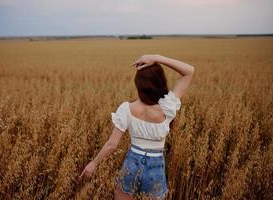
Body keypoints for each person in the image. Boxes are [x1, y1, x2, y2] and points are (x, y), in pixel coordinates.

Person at [80, 54, 195, 199]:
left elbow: (112, 144)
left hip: (131, 164)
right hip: (156, 166)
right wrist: (156, 58)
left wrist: (94, 163)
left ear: (138, 84)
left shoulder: (126, 108)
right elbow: (189, 71)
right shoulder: (168, 106)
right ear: (160, 82)